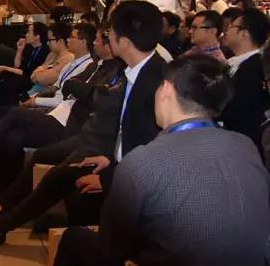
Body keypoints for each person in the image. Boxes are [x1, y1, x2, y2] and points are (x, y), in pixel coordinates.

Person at [0, 1, 167, 254]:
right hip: (110, 155)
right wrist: (111, 159)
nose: (105, 37)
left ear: (124, 40)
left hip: (132, 176)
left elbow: (156, 145)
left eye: (110, 32)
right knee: (53, 174)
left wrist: (111, 174)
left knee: (58, 177)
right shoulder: (136, 70)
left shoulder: (157, 80)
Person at [55, 55, 270, 266]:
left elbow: (110, 248)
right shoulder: (245, 145)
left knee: (74, 239)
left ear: (166, 89)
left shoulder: (144, 160)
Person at [0, 22, 123, 225]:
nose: (94, 43)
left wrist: (79, 90)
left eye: (98, 40)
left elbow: (91, 95)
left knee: (15, 116)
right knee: (12, 137)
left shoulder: (112, 69)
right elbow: (64, 84)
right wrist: (79, 90)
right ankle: (2, 193)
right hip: (68, 117)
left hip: (74, 126)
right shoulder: (94, 65)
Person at [0, 24, 96, 192]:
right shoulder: (69, 62)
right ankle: (2, 181)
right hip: (51, 108)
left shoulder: (86, 65)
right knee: (12, 136)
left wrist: (36, 100)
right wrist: (36, 94)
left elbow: (56, 91)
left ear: (83, 42)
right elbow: (44, 81)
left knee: (13, 112)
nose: (68, 40)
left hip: (60, 117)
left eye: (72, 37)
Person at [222, 8, 270, 155]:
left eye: (231, 27)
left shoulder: (254, 69)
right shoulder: (239, 63)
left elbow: (239, 110)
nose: (226, 31)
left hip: (245, 146)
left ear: (244, 34)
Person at [0, 23, 50, 104]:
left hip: (33, 81)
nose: (26, 35)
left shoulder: (45, 51)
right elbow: (17, 65)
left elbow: (28, 73)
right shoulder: (30, 48)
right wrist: (20, 49)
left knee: (6, 83)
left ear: (37, 36)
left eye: (29, 32)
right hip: (25, 78)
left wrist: (5, 68)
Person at [28, 23, 74, 93]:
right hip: (37, 91)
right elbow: (33, 76)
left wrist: (44, 66)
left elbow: (43, 79)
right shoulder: (52, 54)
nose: (47, 43)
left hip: (48, 95)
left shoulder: (68, 58)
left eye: (49, 40)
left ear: (60, 41)